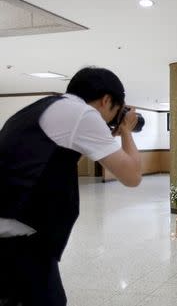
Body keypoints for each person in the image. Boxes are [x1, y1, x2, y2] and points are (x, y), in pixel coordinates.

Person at [0, 66, 142, 305]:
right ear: (107, 100)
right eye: (116, 112)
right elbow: (132, 176)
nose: (112, 120)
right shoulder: (83, 114)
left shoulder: (48, 106)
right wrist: (127, 131)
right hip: (19, 238)